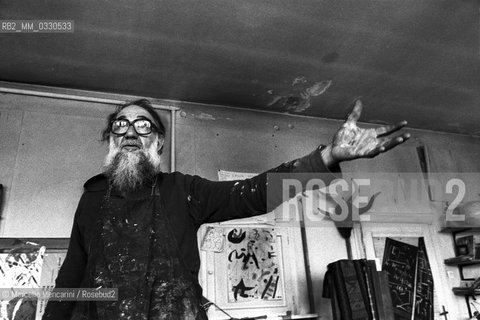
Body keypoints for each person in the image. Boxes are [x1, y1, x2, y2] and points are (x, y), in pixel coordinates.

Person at [42, 98, 409, 319]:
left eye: (143, 126)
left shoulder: (182, 190)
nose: (131, 132)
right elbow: (69, 284)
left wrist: (326, 158)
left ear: (159, 144)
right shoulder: (91, 200)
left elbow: (250, 194)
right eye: (121, 125)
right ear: (110, 141)